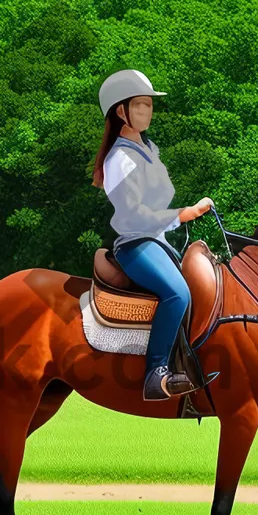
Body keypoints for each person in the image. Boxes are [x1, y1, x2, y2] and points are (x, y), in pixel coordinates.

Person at [93, 70, 213, 400]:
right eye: (141, 105)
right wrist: (183, 214)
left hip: (158, 241)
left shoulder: (148, 149)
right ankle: (155, 372)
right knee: (178, 294)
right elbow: (133, 214)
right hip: (135, 243)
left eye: (149, 105)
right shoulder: (119, 158)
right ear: (121, 112)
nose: (148, 111)